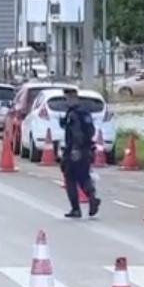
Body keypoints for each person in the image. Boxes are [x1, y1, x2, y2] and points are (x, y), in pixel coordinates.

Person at [61, 86, 101, 218]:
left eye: (67, 98)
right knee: (84, 177)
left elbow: (76, 133)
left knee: (70, 179)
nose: (66, 101)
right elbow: (91, 131)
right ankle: (92, 198)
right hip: (87, 149)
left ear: (71, 98)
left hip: (75, 151)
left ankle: (76, 209)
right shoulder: (85, 113)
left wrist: (75, 149)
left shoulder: (73, 114)